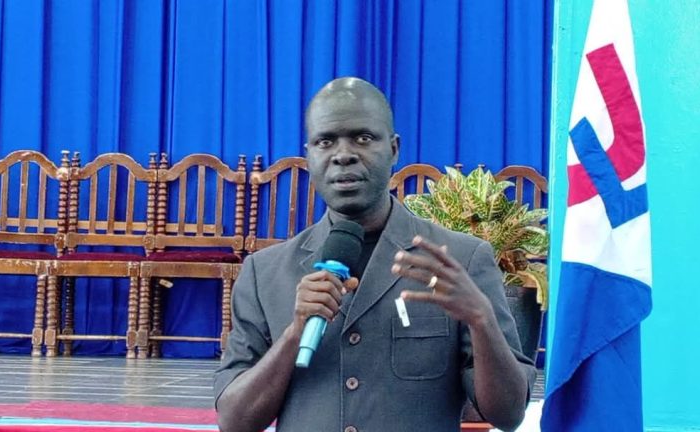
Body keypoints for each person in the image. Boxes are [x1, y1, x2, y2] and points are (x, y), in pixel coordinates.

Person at [214, 77, 536, 432]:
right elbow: (234, 421)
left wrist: (481, 320)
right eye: (325, 141)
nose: (343, 154)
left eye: (363, 138)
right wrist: (294, 335)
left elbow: (508, 415)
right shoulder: (264, 273)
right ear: (308, 156)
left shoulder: (460, 260)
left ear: (394, 149)